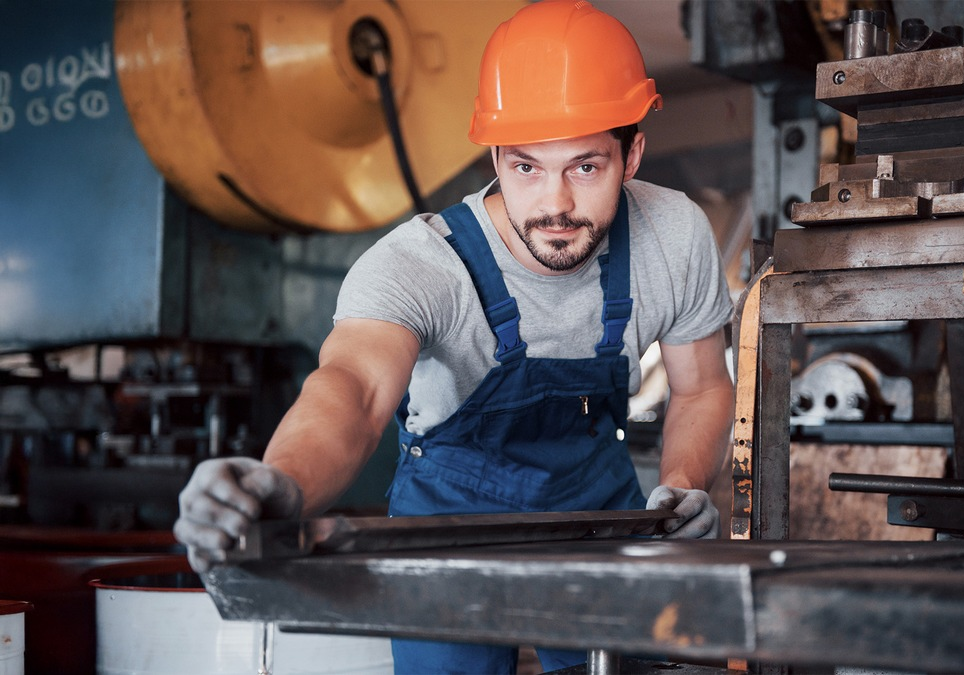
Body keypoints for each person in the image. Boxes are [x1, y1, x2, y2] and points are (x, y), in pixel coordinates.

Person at [173, 1, 735, 672]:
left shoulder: (674, 236)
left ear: (632, 153)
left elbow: (701, 386)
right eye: (527, 167)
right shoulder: (418, 265)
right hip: (448, 514)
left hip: (596, 506)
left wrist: (679, 484)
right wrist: (282, 483)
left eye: (585, 167)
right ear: (497, 156)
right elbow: (351, 391)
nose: (555, 204)